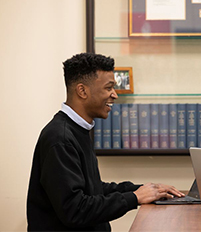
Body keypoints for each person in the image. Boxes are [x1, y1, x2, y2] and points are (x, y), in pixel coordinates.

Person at [27, 53, 184, 231]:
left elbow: (92, 188)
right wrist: (134, 197)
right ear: (82, 91)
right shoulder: (60, 138)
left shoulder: (78, 129)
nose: (114, 95)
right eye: (108, 88)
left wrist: (145, 190)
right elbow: (75, 210)